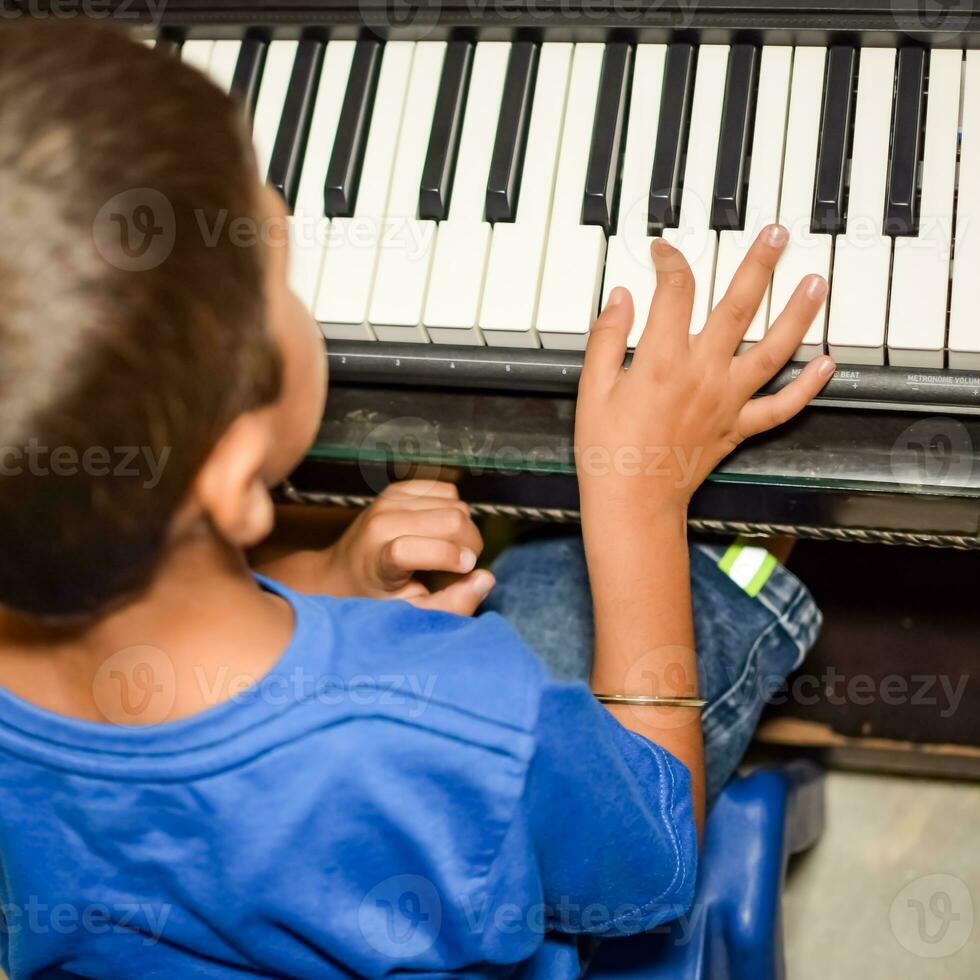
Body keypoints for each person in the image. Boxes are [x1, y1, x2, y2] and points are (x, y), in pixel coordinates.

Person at [0, 20, 831, 978]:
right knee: (601, 577)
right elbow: (646, 864)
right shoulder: (464, 712)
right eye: (274, 273)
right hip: (560, 852)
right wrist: (639, 498)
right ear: (231, 481)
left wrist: (327, 578)